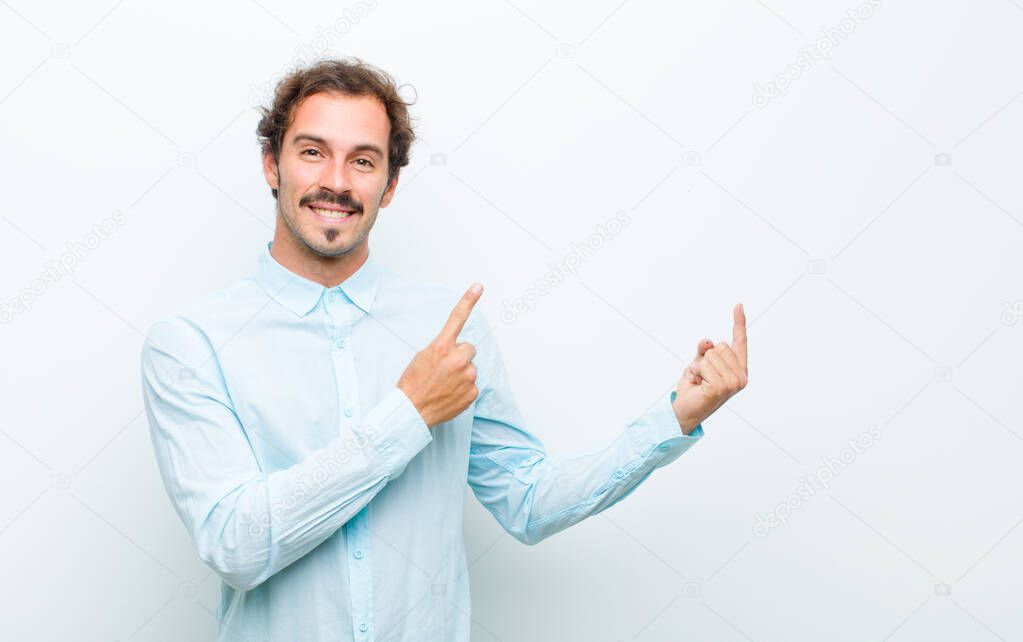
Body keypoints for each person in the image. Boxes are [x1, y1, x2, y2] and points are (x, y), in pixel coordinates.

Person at [140, 57, 748, 642]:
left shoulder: (450, 331)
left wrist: (671, 420)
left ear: (391, 183)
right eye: (312, 152)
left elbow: (528, 502)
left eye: (363, 160)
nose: (336, 181)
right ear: (272, 165)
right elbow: (237, 546)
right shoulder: (190, 346)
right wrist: (409, 412)